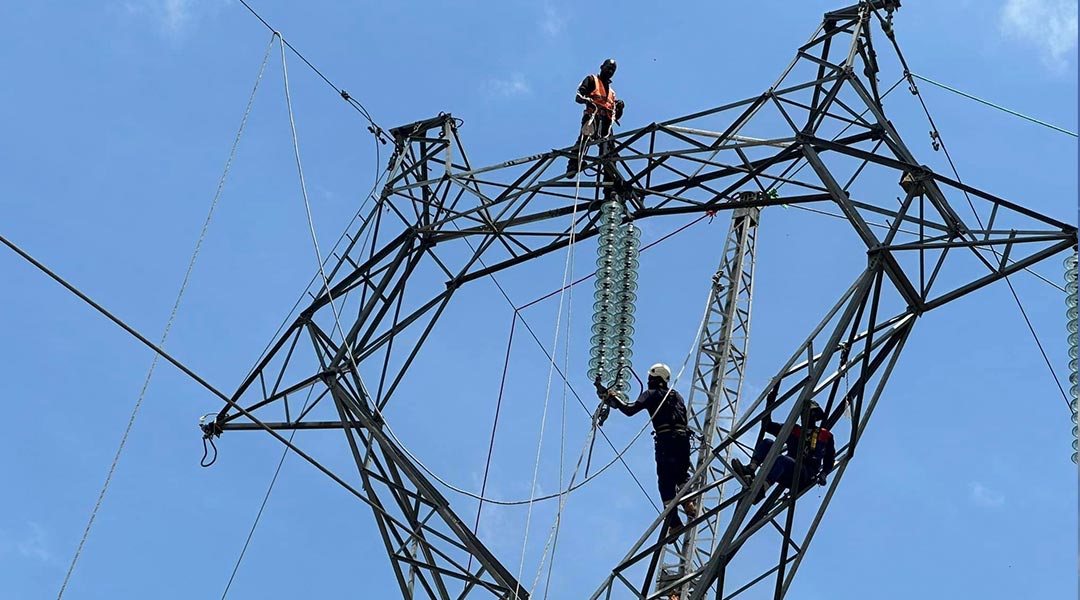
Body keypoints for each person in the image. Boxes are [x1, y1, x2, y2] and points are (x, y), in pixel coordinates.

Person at [603, 363, 695, 530]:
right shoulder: (677, 396)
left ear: (655, 377)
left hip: (666, 442)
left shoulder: (651, 394)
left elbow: (629, 410)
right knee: (681, 476)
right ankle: (689, 503)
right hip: (683, 442)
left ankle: (675, 524)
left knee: (665, 483)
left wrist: (613, 397)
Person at [730, 401, 836, 504]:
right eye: (802, 413)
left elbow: (829, 459)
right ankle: (750, 470)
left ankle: (761, 490)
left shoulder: (825, 436)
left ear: (814, 416)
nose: (803, 416)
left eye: (807, 413)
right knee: (767, 443)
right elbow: (768, 426)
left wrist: (824, 474)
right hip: (787, 468)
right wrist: (769, 404)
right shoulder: (794, 430)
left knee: (782, 460)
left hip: (805, 474)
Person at [565, 58, 626, 177]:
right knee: (585, 138)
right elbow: (578, 97)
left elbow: (615, 116)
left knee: (610, 151)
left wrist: (620, 108)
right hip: (593, 117)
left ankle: (610, 184)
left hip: (606, 124)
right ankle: (573, 165)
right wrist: (587, 101)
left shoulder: (612, 93)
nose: (610, 71)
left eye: (613, 70)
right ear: (602, 66)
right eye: (608, 67)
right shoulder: (592, 80)